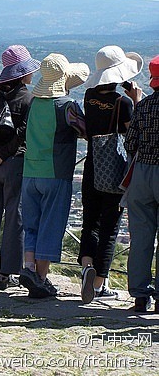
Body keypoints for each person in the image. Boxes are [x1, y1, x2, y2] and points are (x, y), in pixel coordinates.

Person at [19, 53, 89, 298]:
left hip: (30, 172)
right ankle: (40, 278)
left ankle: (28, 268)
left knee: (31, 225)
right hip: (55, 172)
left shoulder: (32, 103)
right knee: (51, 225)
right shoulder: (66, 105)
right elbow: (84, 130)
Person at [77, 45, 143, 304]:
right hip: (114, 171)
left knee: (89, 223)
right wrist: (136, 102)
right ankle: (100, 283)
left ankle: (86, 267)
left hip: (92, 167)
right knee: (110, 228)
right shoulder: (123, 102)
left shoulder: (88, 96)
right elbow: (133, 134)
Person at [0, 45, 40, 289]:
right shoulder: (27, 98)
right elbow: (23, 133)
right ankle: (6, 273)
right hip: (15, 163)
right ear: (23, 74)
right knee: (15, 217)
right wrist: (2, 154)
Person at [125, 55, 159, 313]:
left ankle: (139, 295)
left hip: (141, 176)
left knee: (141, 238)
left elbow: (130, 144)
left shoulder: (144, 105)